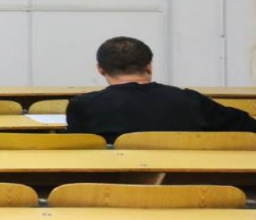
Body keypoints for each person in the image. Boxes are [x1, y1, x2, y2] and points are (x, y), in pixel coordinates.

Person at [66, 36, 256, 142]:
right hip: (188, 187)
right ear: (149, 66)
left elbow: (78, 148)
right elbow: (248, 126)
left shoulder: (83, 105)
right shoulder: (191, 100)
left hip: (111, 188)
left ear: (100, 69)